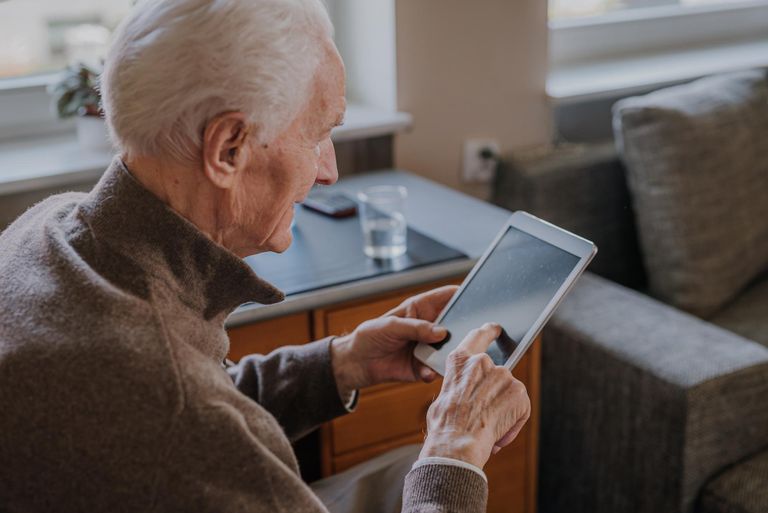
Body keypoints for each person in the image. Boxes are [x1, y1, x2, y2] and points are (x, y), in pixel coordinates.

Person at [0, 1, 531, 512]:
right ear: (228, 147)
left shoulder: (49, 227)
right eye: (319, 133)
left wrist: (342, 362)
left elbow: (184, 399)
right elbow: (181, 412)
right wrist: (455, 451)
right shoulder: (179, 417)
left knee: (397, 470)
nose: (329, 171)